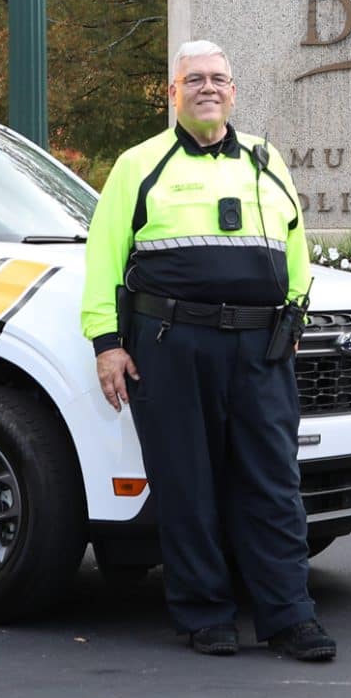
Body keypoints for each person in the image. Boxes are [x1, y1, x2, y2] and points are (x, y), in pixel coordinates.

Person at [80, 40, 336, 662]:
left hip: (260, 347)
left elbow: (296, 244)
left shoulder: (266, 160)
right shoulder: (139, 164)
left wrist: (296, 310)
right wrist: (108, 344)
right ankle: (204, 614)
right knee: (186, 482)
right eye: (193, 79)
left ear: (233, 91)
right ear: (173, 93)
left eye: (218, 78)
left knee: (273, 482)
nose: (207, 88)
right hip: (171, 344)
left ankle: (289, 615)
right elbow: (104, 256)